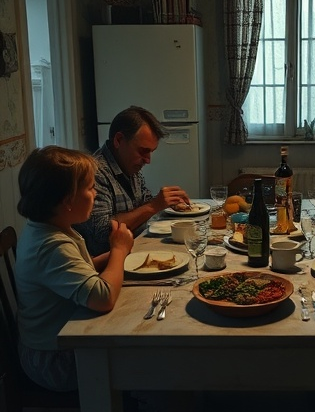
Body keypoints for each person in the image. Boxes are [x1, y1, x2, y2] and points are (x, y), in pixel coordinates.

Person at [15, 145, 134, 392]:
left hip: (58, 343)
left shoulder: (51, 227)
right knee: (147, 356)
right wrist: (119, 252)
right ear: (68, 200)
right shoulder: (51, 246)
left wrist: (114, 254)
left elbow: (83, 267)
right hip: (54, 359)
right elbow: (102, 298)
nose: (95, 194)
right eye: (91, 188)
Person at [74, 106, 190, 256]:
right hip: (108, 265)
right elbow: (101, 236)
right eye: (143, 151)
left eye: (151, 152)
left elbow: (144, 203)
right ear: (119, 140)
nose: (148, 160)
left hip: (134, 251)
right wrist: (154, 205)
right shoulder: (94, 173)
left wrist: (167, 202)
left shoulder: (128, 165)